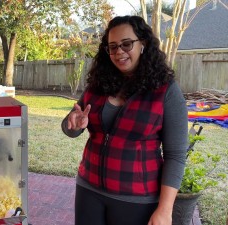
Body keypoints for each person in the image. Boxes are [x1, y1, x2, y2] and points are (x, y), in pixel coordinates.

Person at [61, 15, 188, 225]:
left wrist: (165, 210)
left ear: (143, 44)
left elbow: (175, 156)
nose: (119, 51)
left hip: (136, 200)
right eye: (112, 46)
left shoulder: (166, 91)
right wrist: (71, 124)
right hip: (89, 189)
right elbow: (72, 125)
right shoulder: (98, 85)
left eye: (126, 44)